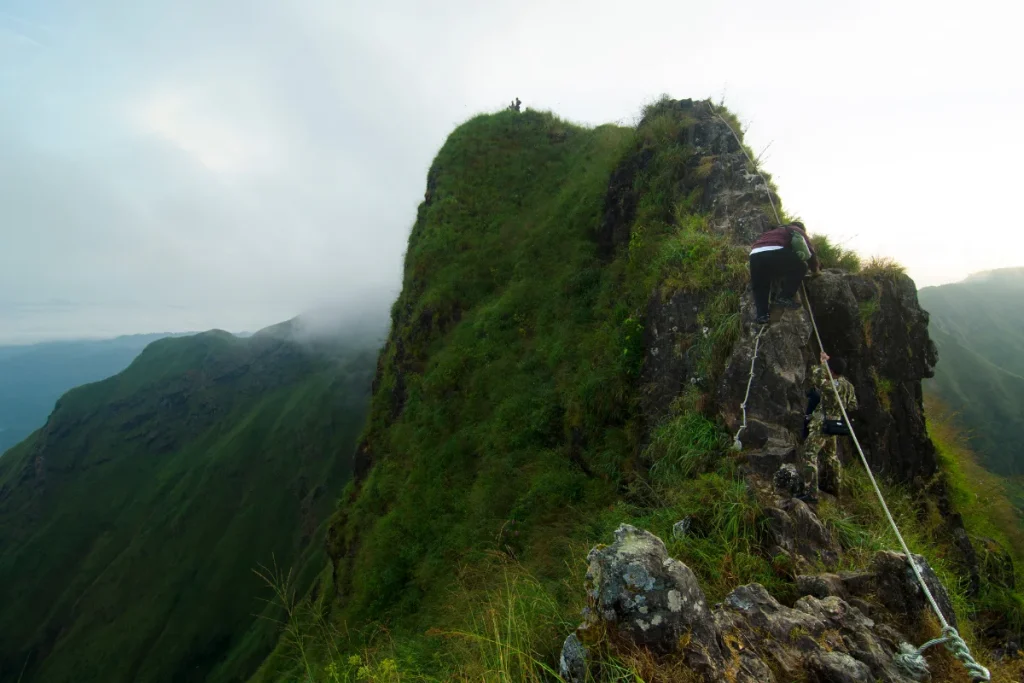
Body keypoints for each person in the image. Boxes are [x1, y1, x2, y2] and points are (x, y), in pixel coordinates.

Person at [803, 351, 858, 500]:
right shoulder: (848, 386)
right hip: (835, 425)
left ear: (832, 371)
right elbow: (853, 406)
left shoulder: (832, 386)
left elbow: (816, 377)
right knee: (831, 456)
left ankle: (811, 493)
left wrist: (822, 364)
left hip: (822, 424)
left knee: (809, 454)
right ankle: (835, 487)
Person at [748, 221, 819, 324]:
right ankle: (785, 297)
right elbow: (810, 251)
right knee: (801, 266)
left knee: (760, 285)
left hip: (755, 254)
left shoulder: (774, 231)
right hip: (775, 251)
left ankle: (762, 315)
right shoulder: (797, 229)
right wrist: (815, 270)